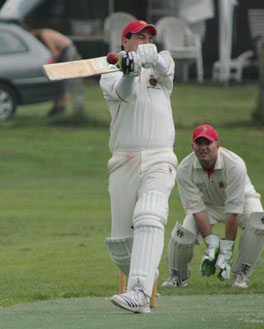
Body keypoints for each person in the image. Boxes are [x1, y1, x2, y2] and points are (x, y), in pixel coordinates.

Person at [100, 20, 177, 314]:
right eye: (139, 38)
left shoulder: (164, 59)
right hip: (124, 160)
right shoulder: (110, 72)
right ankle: (144, 274)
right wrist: (130, 72)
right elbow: (125, 93)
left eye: (149, 37)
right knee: (121, 247)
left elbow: (163, 67)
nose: (145, 41)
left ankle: (140, 290)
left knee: (150, 214)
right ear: (125, 42)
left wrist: (149, 57)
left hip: (160, 156)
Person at [162, 124, 264, 289]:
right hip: (207, 205)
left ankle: (241, 274)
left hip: (242, 201)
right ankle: (177, 276)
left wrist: (226, 251)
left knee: (261, 222)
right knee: (183, 235)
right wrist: (211, 244)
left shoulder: (235, 165)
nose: (203, 148)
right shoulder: (185, 169)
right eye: (199, 143)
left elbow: (233, 211)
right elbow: (197, 209)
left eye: (207, 143)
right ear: (192, 146)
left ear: (217, 145)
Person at [30, 28, 78, 116]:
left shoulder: (43, 35)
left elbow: (54, 53)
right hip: (63, 51)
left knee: (65, 79)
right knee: (58, 79)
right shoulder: (42, 34)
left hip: (67, 50)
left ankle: (62, 106)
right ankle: (57, 105)